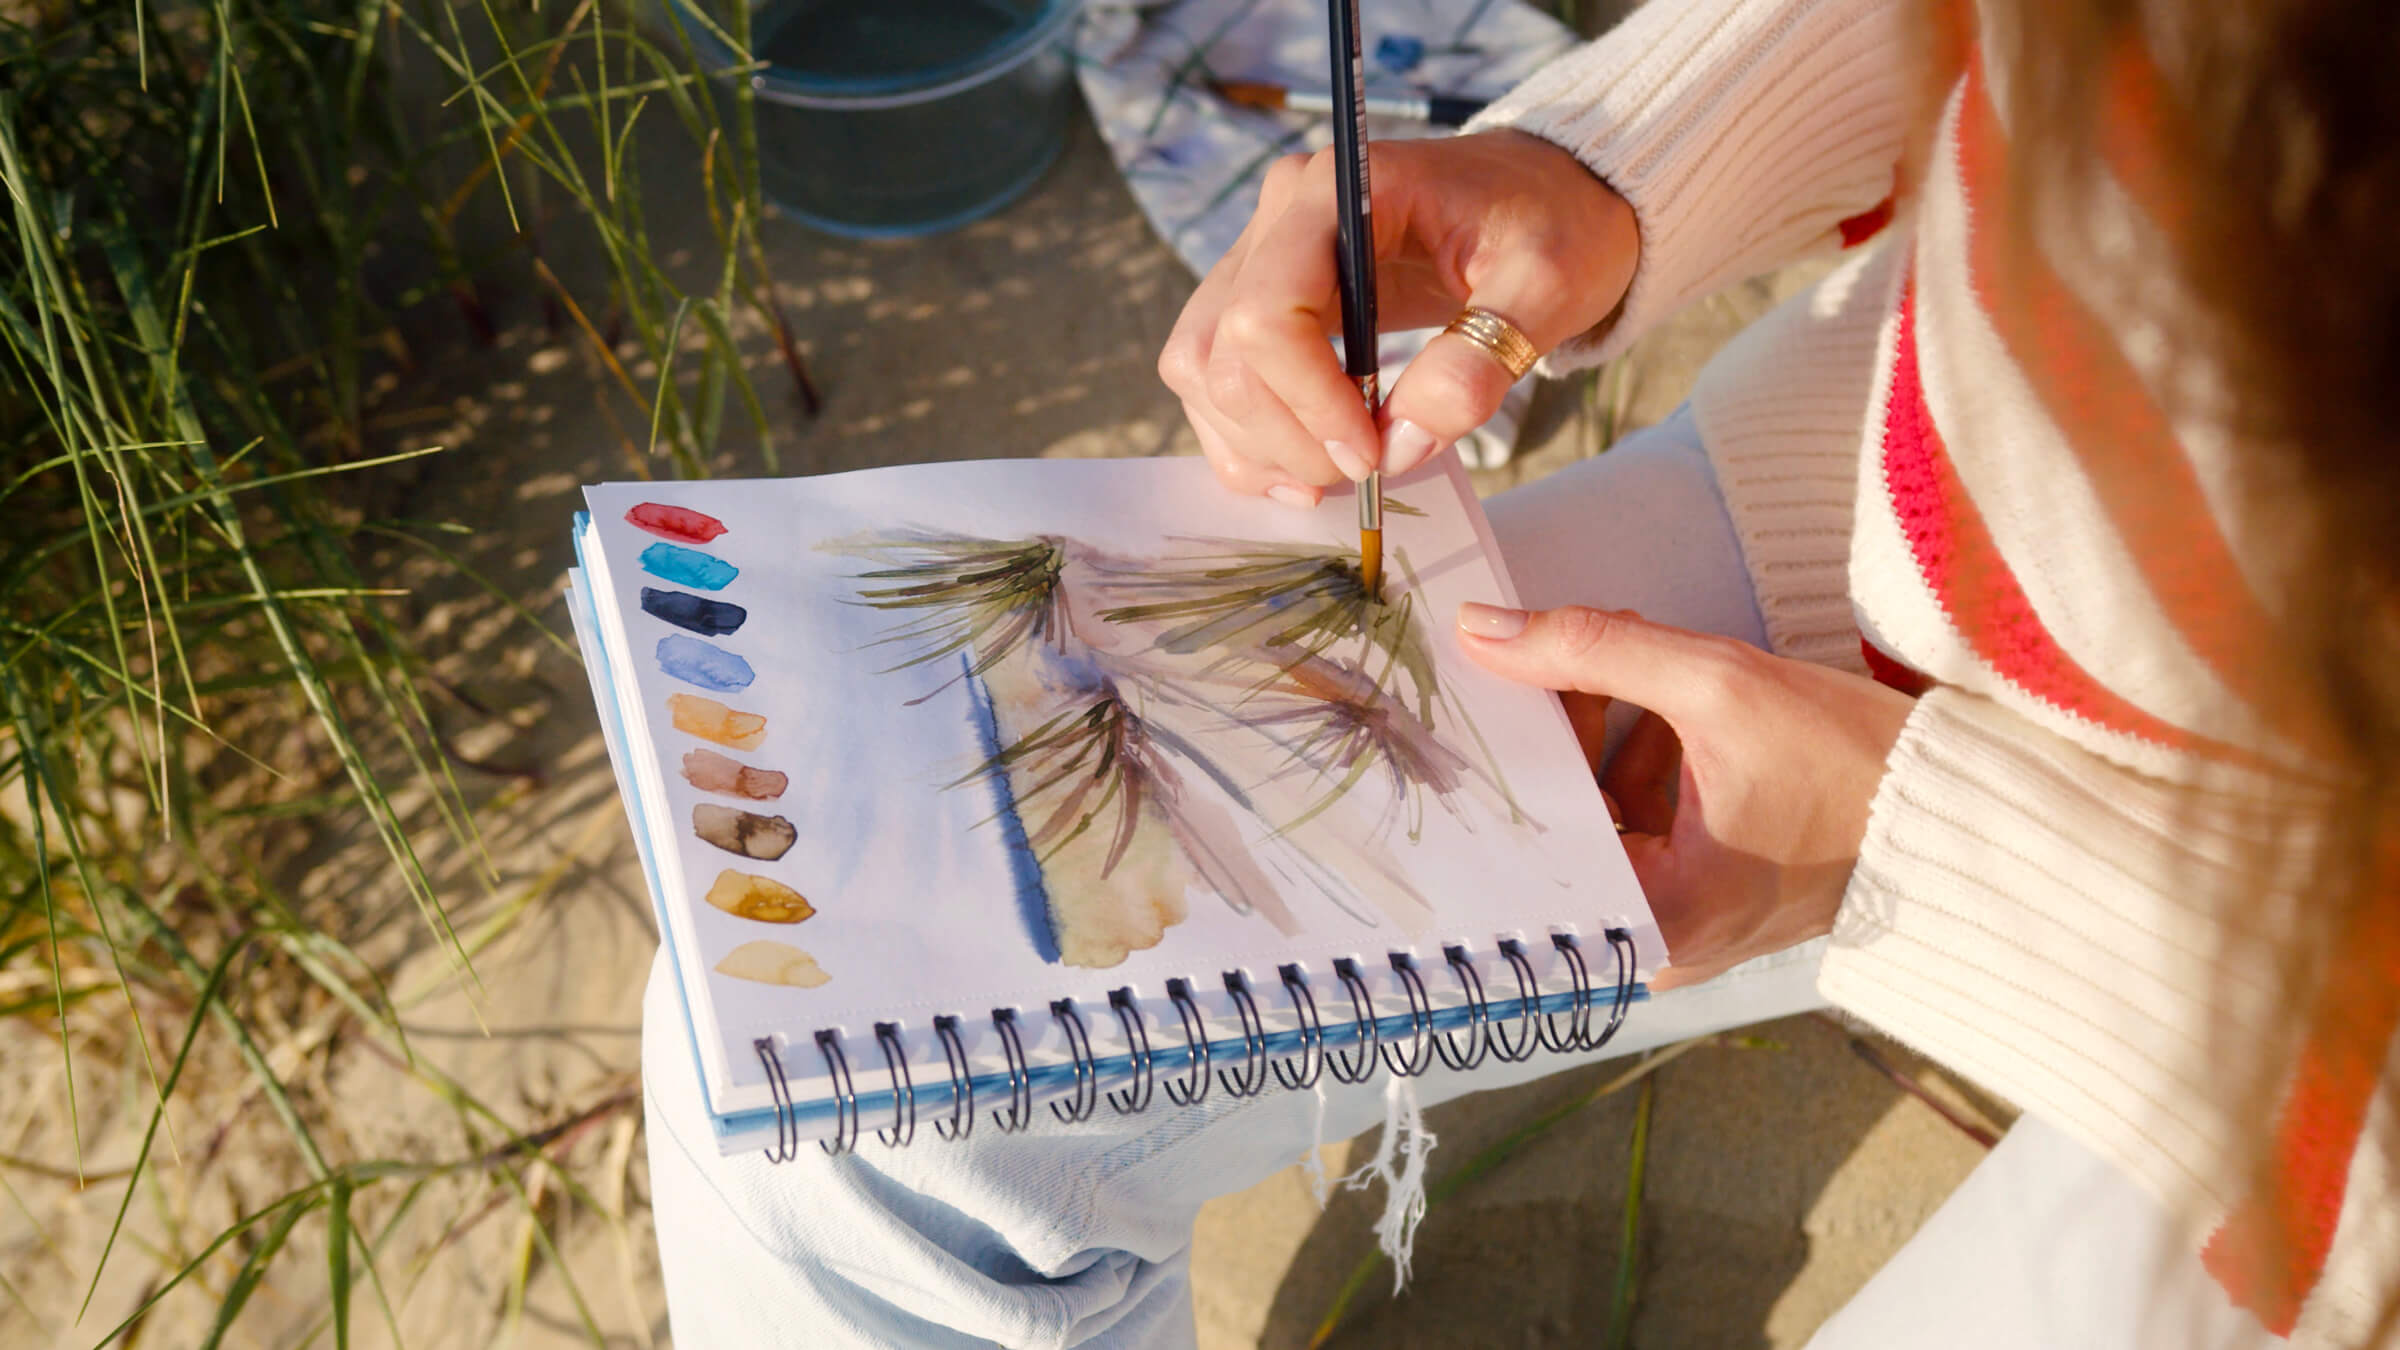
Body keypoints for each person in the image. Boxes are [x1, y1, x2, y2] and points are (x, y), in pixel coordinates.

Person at [642, 0, 2400, 1343]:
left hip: (2304, 1014)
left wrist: (1924, 857)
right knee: (832, 1093)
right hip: (1874, 507)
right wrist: (1606, 178)